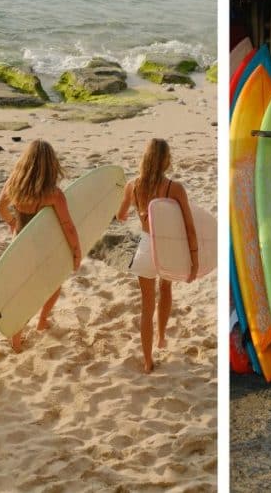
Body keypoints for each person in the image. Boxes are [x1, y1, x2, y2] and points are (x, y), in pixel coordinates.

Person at [117, 138, 199, 373]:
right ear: (166, 160)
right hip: (167, 248)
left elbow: (121, 216)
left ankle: (147, 361)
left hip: (145, 249)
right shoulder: (174, 188)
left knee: (146, 307)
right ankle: (161, 337)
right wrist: (194, 261)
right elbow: (189, 228)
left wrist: (131, 209)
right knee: (166, 288)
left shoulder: (132, 186)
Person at [0, 140, 82, 353]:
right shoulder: (53, 194)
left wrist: (12, 222)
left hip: (19, 246)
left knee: (22, 292)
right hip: (43, 248)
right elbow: (68, 226)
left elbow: (0, 207)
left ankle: (16, 341)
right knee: (54, 283)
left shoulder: (14, 185)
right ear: (52, 164)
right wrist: (76, 252)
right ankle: (42, 321)